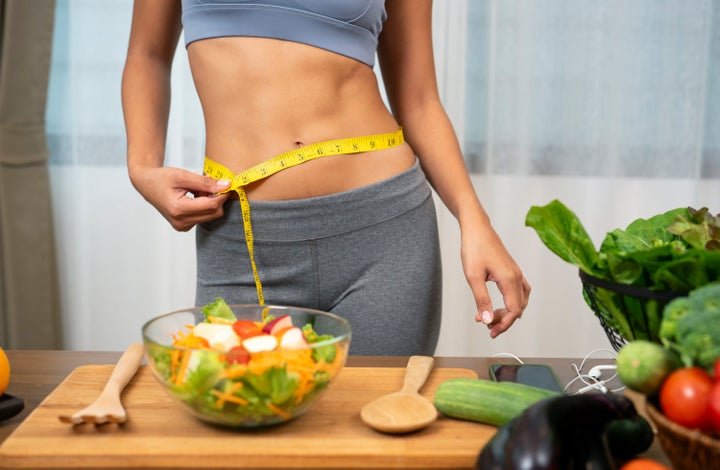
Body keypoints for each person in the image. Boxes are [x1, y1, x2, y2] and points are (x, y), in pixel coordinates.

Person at [121, 0, 531, 355]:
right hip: (240, 238)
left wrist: (474, 218)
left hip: (384, 233)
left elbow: (419, 98)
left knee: (377, 434)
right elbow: (147, 54)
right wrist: (142, 169)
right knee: (239, 427)